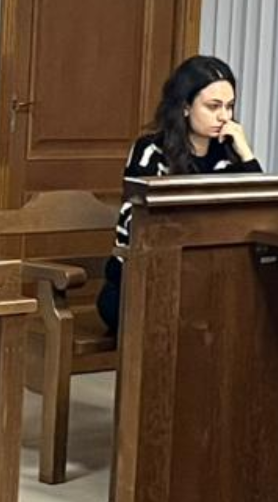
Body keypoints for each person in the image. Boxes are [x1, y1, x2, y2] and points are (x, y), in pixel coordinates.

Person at [96, 55, 262, 332]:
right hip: (139, 282)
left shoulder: (228, 153)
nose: (225, 116)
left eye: (230, 106)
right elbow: (137, 226)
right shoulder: (150, 151)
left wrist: (246, 154)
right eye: (213, 106)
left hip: (205, 278)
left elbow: (257, 211)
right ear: (185, 106)